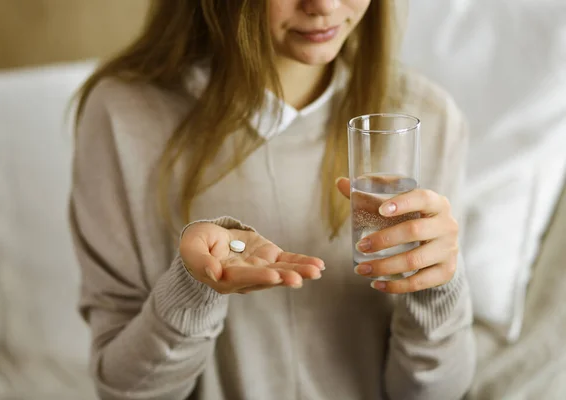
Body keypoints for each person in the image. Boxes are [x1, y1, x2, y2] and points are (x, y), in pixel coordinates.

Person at [69, 0, 476, 399]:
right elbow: (124, 391)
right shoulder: (123, 118)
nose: (324, 6)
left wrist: (436, 290)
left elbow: (435, 394)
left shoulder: (426, 119)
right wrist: (192, 291)